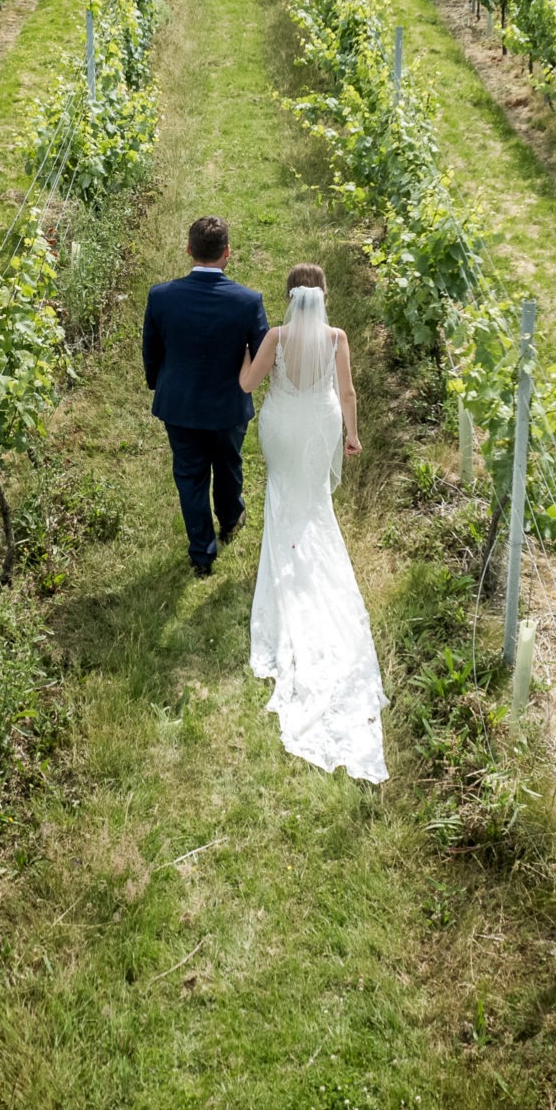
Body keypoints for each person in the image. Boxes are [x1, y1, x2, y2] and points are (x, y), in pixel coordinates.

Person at [238, 263, 386, 783]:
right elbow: (348, 394)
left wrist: (243, 354)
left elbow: (247, 383)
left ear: (289, 297)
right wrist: (352, 435)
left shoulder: (276, 338)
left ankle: (285, 554)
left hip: (281, 424)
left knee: (283, 492)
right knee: (314, 498)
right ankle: (304, 554)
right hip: (321, 423)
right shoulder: (337, 338)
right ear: (323, 297)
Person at [142, 216, 269, 577]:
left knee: (190, 475)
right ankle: (230, 520)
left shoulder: (161, 296)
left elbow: (151, 349)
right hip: (228, 403)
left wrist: (159, 384)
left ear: (188, 250)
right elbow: (262, 353)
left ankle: (201, 553)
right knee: (228, 464)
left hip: (179, 404)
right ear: (227, 252)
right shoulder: (248, 301)